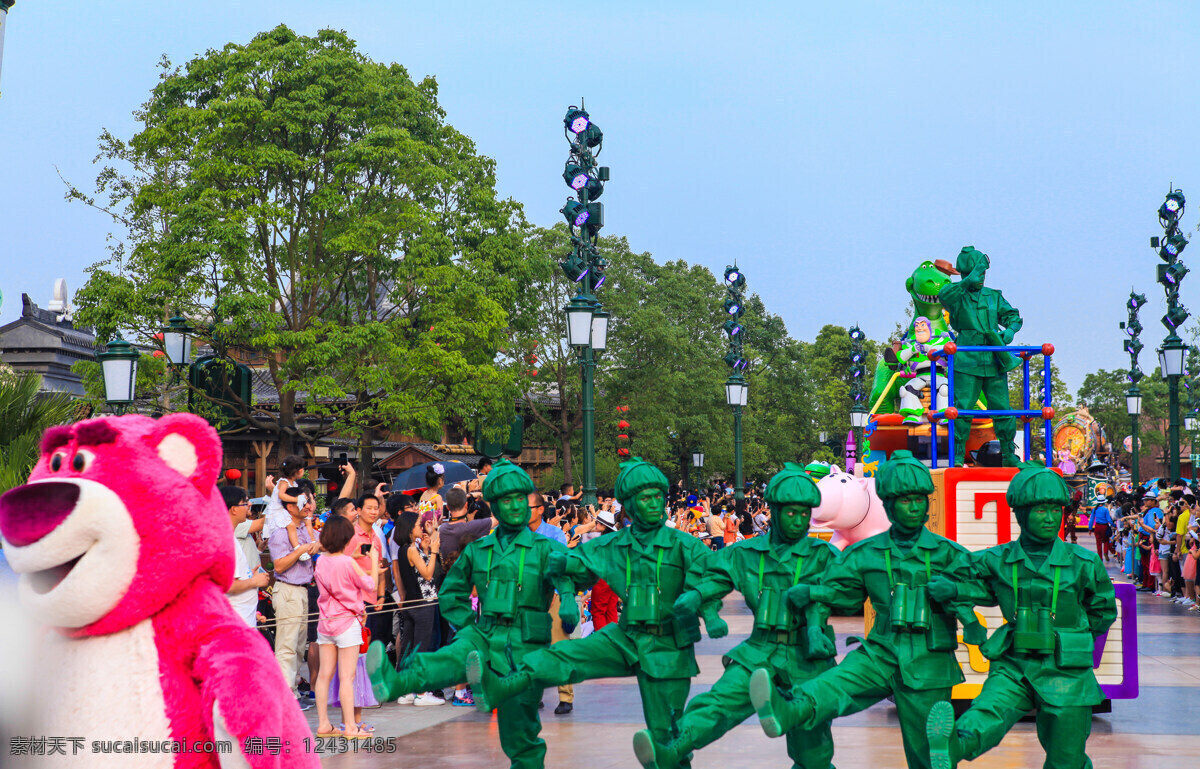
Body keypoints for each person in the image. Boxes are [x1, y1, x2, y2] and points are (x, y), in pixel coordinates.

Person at [468, 458, 726, 769]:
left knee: (666, 736)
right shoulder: (611, 545)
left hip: (668, 646)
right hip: (626, 635)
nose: (656, 503)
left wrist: (703, 604)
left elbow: (715, 577)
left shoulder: (685, 545)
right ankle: (503, 684)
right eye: (646, 497)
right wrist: (565, 595)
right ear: (628, 505)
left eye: (659, 495)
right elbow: (567, 565)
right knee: (566, 655)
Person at [754, 450, 980, 769]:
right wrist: (815, 608)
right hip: (881, 650)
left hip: (929, 661)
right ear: (886, 503)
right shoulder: (865, 553)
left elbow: (984, 587)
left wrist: (956, 591)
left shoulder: (948, 553)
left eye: (920, 499)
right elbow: (837, 592)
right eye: (904, 500)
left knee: (929, 755)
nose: (914, 507)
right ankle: (790, 708)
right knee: (834, 685)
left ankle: (950, 747)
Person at [366, 459, 578, 768]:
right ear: (494, 505)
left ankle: (524, 754)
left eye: (520, 499)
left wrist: (569, 601)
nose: (515, 506)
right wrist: (467, 626)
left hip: (526, 642)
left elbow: (565, 577)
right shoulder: (481, 550)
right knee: (455, 655)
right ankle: (399, 681)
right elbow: (452, 592)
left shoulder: (546, 547)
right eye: (506, 500)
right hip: (487, 631)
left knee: (519, 726)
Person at [634, 463, 839, 769]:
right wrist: (697, 596)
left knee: (812, 748)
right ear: (776, 511)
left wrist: (816, 615)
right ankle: (673, 748)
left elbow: (842, 591)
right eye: (790, 513)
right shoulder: (744, 553)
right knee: (718, 703)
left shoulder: (824, 555)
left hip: (808, 655)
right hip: (760, 650)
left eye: (804, 514)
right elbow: (715, 579)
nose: (798, 521)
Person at [925, 464, 1117, 769]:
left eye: (1056, 510)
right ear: (1021, 514)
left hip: (1067, 671)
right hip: (1015, 663)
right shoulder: (997, 559)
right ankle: (953, 744)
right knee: (988, 711)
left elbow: (1103, 610)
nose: (1051, 518)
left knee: (1066, 758)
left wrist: (1072, 639)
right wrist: (966, 611)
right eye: (1041, 510)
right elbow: (947, 581)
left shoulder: (1084, 562)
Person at [938, 247, 1023, 467]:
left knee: (1003, 408)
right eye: (978, 274)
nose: (981, 278)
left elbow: (1012, 316)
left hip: (994, 358)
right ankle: (957, 454)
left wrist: (1010, 331)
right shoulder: (956, 295)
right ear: (967, 274)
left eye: (983, 274)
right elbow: (944, 297)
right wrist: (967, 282)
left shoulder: (993, 296)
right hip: (967, 360)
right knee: (962, 408)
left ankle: (1007, 453)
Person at [313, 515, 379, 739]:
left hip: (325, 623)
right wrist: (374, 560)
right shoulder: (348, 563)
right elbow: (371, 585)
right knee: (347, 678)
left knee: (324, 675)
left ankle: (323, 724)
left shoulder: (320, 561)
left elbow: (335, 571)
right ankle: (350, 727)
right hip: (347, 623)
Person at [267, 486, 321, 708]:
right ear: (290, 506)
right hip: (287, 589)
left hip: (302, 590)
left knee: (299, 646)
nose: (309, 506)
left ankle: (292, 692)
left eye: (309, 502)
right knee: (287, 646)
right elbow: (278, 565)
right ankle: (284, 694)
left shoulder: (303, 528)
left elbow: (323, 543)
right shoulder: (281, 531)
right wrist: (299, 551)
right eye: (304, 502)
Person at [393, 511, 445, 706]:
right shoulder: (411, 549)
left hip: (411, 602)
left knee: (409, 646)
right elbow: (428, 574)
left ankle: (407, 690)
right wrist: (433, 551)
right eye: (417, 524)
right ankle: (422, 693)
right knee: (422, 646)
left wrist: (425, 547)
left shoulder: (404, 549)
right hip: (423, 603)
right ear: (408, 528)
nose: (420, 527)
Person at [223, 485, 270, 627]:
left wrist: (249, 576)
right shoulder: (225, 540)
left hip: (241, 618)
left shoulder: (229, 537)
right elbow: (228, 585)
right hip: (235, 623)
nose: (249, 505)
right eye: (245, 502)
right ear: (234, 509)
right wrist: (255, 581)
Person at [264, 455, 315, 556]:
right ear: (299, 471)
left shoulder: (292, 483)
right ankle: (297, 548)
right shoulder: (284, 482)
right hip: (278, 510)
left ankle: (308, 542)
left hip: (284, 509)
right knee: (291, 525)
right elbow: (281, 495)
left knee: (301, 522)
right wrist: (296, 499)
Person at [1089, 498, 1114, 562]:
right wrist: (1114, 525)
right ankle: (1105, 552)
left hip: (1097, 526)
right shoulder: (1105, 510)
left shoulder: (1094, 509)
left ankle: (1100, 557)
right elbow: (1109, 520)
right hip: (1104, 527)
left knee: (1098, 542)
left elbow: (1091, 519)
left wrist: (1090, 528)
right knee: (1106, 540)